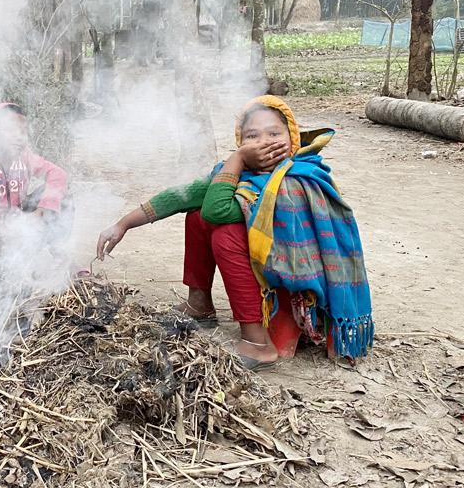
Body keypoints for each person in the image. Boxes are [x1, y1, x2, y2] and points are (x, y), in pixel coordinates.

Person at [96, 96, 373, 370]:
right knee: (196, 217)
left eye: (274, 133)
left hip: (296, 288)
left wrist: (237, 157)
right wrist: (122, 224)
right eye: (252, 136)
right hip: (267, 271)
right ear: (241, 141)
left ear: (292, 140)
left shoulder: (297, 180)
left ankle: (258, 344)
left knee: (225, 233)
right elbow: (182, 196)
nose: (263, 141)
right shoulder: (241, 174)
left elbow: (216, 210)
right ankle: (200, 304)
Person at [0, 102, 74, 264]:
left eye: (23, 131)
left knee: (63, 198)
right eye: (11, 130)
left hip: (18, 226)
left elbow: (58, 175)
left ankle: (53, 250)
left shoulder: (25, 158)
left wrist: (41, 211)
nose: (19, 137)